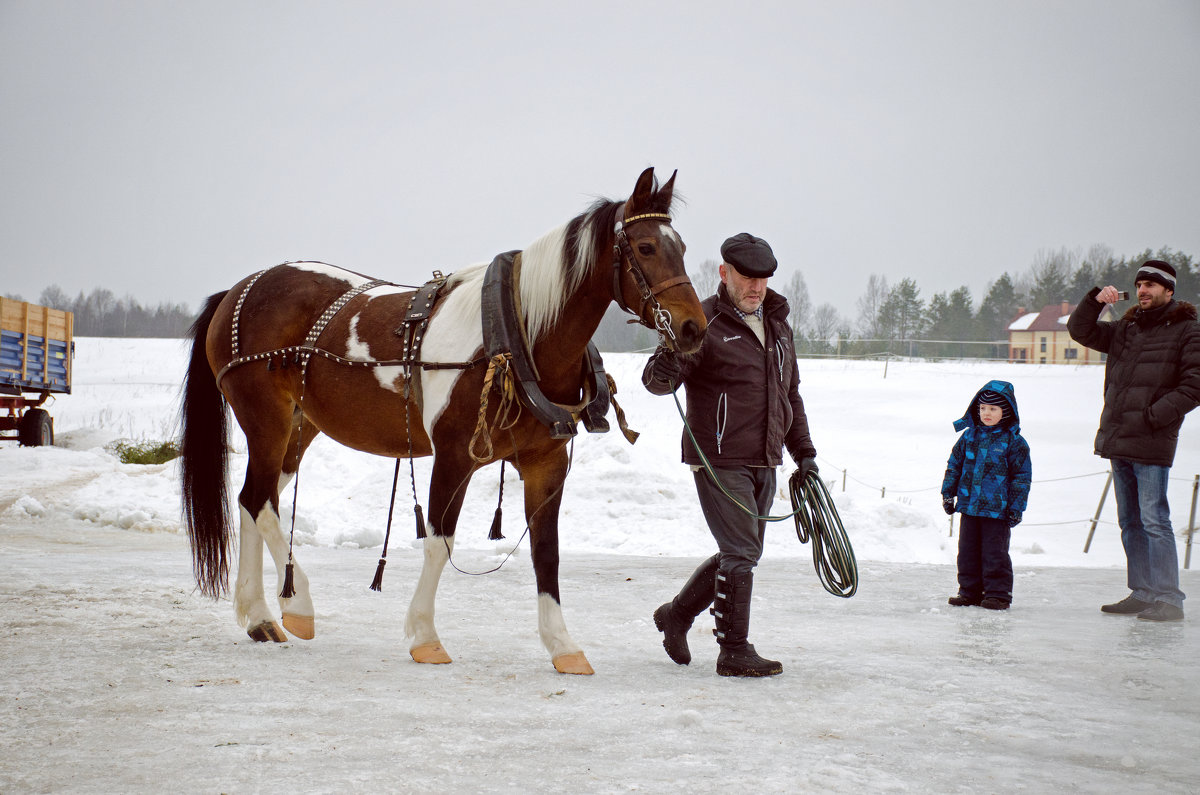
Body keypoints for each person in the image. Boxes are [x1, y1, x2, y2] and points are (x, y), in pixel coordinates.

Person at [642, 232, 817, 677]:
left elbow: (789, 395)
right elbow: (658, 383)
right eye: (746, 277)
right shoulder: (702, 320)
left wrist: (805, 455)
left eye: (762, 279)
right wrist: (662, 366)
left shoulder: (778, 325)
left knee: (740, 552)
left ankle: (676, 615)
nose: (755, 287)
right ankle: (733, 649)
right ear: (724, 273)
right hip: (717, 457)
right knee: (740, 550)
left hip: (765, 458)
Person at [1068, 259, 1200, 622]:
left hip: (1151, 440)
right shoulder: (1126, 328)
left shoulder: (1189, 331)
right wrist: (1096, 301)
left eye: (1151, 285)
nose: (1142, 290)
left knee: (1155, 520)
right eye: (1139, 284)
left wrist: (1152, 417)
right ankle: (1143, 592)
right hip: (1119, 438)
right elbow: (1080, 331)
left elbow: (1194, 385)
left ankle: (1169, 598)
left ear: (1169, 291)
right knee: (1131, 522)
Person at [940, 381, 1032, 610]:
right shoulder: (968, 437)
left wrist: (1016, 507)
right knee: (967, 551)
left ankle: (998, 594)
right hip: (969, 506)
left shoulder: (1015, 442)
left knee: (995, 553)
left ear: (1006, 411)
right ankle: (969, 591)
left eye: (993, 409)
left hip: (997, 510)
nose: (986, 413)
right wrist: (948, 493)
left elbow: (1021, 477)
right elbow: (954, 466)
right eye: (982, 408)